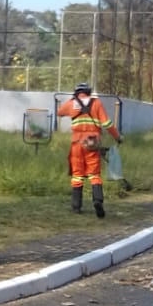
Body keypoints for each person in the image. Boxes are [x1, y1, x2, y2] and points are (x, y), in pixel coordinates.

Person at [55, 82, 121, 218]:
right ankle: (97, 201)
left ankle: (76, 207)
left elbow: (59, 112)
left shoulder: (72, 103)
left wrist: (72, 102)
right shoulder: (96, 103)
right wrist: (117, 137)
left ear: (77, 92)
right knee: (94, 174)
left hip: (77, 143)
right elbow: (107, 123)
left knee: (77, 175)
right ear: (89, 92)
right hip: (92, 142)